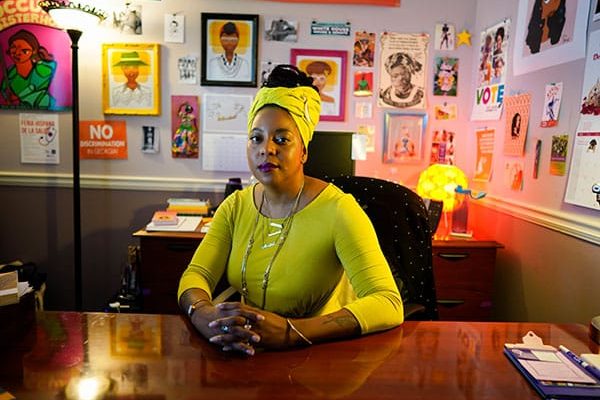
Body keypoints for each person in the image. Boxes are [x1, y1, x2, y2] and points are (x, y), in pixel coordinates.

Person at [178, 64, 403, 356]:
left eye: (282, 139)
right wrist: (203, 313)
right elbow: (195, 274)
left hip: (318, 357)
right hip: (246, 351)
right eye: (256, 138)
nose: (266, 149)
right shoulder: (235, 207)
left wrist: (291, 332)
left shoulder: (339, 209)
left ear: (304, 151)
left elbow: (387, 302)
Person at [1, 29, 56, 109]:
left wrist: (18, 96)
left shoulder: (42, 70)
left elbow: (34, 86)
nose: (17, 53)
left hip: (44, 108)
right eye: (13, 48)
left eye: (24, 51)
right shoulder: (10, 74)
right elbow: (4, 91)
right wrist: (7, 98)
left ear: (33, 51)